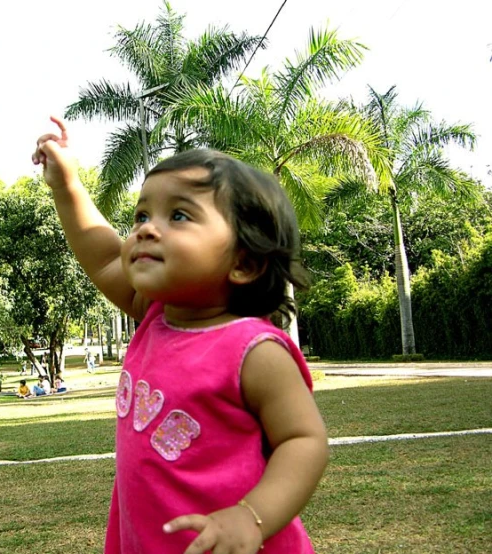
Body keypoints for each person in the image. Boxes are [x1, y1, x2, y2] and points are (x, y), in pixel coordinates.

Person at [32, 117, 329, 554]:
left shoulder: (254, 351)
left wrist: (252, 516)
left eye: (179, 215)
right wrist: (67, 184)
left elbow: (304, 441)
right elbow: (102, 259)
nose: (146, 229)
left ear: (243, 263)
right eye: (142, 215)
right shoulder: (154, 316)